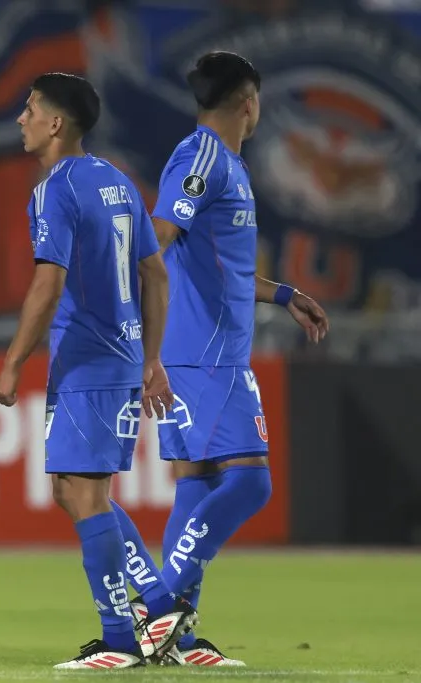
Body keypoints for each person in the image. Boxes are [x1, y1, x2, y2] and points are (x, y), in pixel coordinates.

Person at [127, 51, 329, 667]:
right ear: (249, 102)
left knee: (199, 486)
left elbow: (225, 268)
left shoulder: (226, 166)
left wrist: (285, 294)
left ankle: (178, 642)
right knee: (251, 482)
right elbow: (156, 240)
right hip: (205, 358)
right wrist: (146, 350)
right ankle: (161, 607)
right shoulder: (203, 159)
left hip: (203, 353)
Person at [0, 72, 195, 670]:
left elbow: (47, 283)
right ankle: (158, 607)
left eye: (29, 109)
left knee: (84, 494)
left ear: (56, 123)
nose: (20, 119)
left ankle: (122, 635)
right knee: (72, 490)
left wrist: (11, 363)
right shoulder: (117, 181)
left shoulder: (54, 189)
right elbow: (155, 275)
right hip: (118, 356)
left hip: (87, 358)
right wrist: (151, 356)